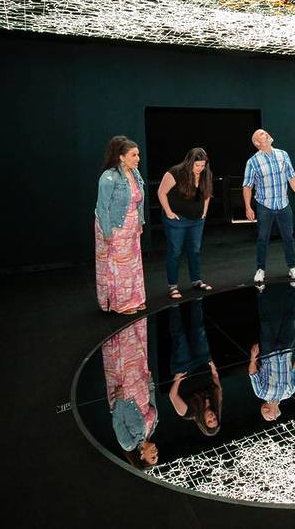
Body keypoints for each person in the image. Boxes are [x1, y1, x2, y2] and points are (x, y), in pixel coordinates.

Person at [243, 129, 295, 283]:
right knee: (262, 239)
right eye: (261, 134)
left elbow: (291, 176)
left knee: (288, 237)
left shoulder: (283, 154)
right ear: (257, 143)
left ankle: (292, 267)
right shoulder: (253, 161)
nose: (266, 134)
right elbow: (247, 186)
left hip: (284, 204)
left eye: (265, 132)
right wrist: (248, 207)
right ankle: (260, 269)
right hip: (265, 205)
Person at [95, 135, 146, 314]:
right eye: (134, 155)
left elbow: (139, 200)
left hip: (131, 226)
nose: (138, 158)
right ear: (122, 157)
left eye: (138, 154)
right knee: (119, 266)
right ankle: (121, 304)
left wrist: (140, 221)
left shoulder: (135, 173)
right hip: (115, 226)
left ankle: (135, 299)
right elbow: (102, 208)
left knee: (133, 265)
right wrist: (107, 232)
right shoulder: (109, 177)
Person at [157, 147, 213, 301]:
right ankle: (173, 286)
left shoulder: (205, 174)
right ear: (189, 163)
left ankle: (196, 281)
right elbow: (161, 192)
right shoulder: (175, 173)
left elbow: (207, 194)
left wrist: (204, 212)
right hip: (177, 220)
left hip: (197, 221)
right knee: (175, 251)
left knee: (195, 250)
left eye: (202, 165)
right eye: (197, 166)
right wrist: (168, 212)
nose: (200, 169)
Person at [102, 318, 158, 468]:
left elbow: (118, 422)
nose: (156, 452)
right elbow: (152, 404)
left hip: (125, 392)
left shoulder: (128, 444)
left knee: (123, 347)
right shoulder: (151, 430)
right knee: (137, 342)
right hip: (140, 380)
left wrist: (119, 400)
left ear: (141, 456)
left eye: (153, 457)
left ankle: (118, 305)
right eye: (156, 455)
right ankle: (131, 309)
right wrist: (150, 384)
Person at [249, 284, 295, 421]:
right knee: (290, 318)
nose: (265, 415)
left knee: (265, 321)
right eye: (268, 418)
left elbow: (253, 374)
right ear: (275, 416)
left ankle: (260, 291)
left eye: (264, 416)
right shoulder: (289, 392)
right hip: (287, 350)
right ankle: (293, 288)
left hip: (268, 352)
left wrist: (253, 358)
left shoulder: (261, 393)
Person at [166, 299, 221, 436]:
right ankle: (197, 300)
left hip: (184, 369)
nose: (212, 417)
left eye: (210, 421)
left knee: (180, 336)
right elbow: (217, 383)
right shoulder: (216, 401)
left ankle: (174, 306)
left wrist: (177, 379)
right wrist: (213, 368)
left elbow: (172, 396)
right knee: (199, 330)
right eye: (215, 418)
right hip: (203, 363)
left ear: (203, 423)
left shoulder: (190, 413)